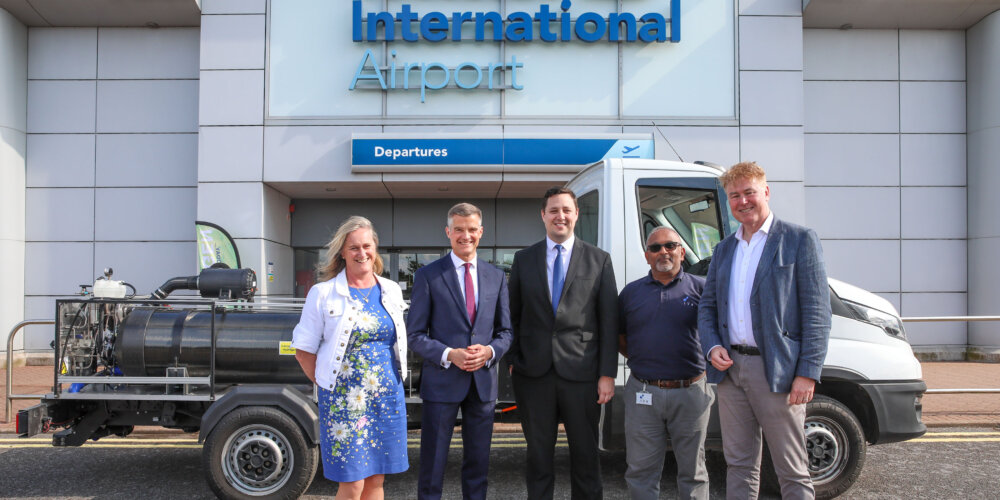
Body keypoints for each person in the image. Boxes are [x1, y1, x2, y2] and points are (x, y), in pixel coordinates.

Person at [697, 161, 832, 499]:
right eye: (734, 196)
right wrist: (712, 347)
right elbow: (708, 306)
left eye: (749, 193)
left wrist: (808, 372)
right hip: (730, 371)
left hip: (777, 370)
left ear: (766, 192)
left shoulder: (799, 240)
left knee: (791, 468)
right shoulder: (724, 249)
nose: (742, 201)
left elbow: (817, 312)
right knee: (739, 465)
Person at [507, 187, 619, 500]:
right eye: (554, 210)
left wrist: (607, 374)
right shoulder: (523, 259)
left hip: (583, 374)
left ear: (576, 215)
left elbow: (609, 322)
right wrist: (514, 360)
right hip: (534, 374)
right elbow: (512, 316)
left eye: (567, 210)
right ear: (543, 215)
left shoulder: (599, 259)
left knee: (585, 457)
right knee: (538, 457)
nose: (561, 216)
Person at [291, 216, 409, 500]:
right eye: (354, 247)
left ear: (375, 249)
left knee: (376, 480)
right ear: (342, 252)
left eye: (367, 246)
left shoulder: (391, 289)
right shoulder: (323, 293)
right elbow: (303, 349)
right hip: (345, 401)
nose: (362, 253)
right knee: (352, 483)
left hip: (385, 396)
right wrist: (330, 386)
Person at [407, 203, 513, 500]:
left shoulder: (496, 277)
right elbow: (414, 335)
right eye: (458, 230)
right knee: (433, 464)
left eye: (471, 230)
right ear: (448, 232)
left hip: (482, 384)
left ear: (481, 232)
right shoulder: (428, 276)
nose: (465, 235)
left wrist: (491, 351)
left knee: (478, 466)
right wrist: (448, 354)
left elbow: (506, 332)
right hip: (441, 383)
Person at [618, 227, 713, 500]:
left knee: (693, 471)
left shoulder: (702, 289)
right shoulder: (630, 293)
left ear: (682, 252)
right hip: (643, 393)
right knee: (640, 471)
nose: (664, 252)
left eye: (670, 245)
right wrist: (644, 362)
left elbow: (717, 334)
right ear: (647, 256)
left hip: (692, 392)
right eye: (655, 248)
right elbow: (621, 338)